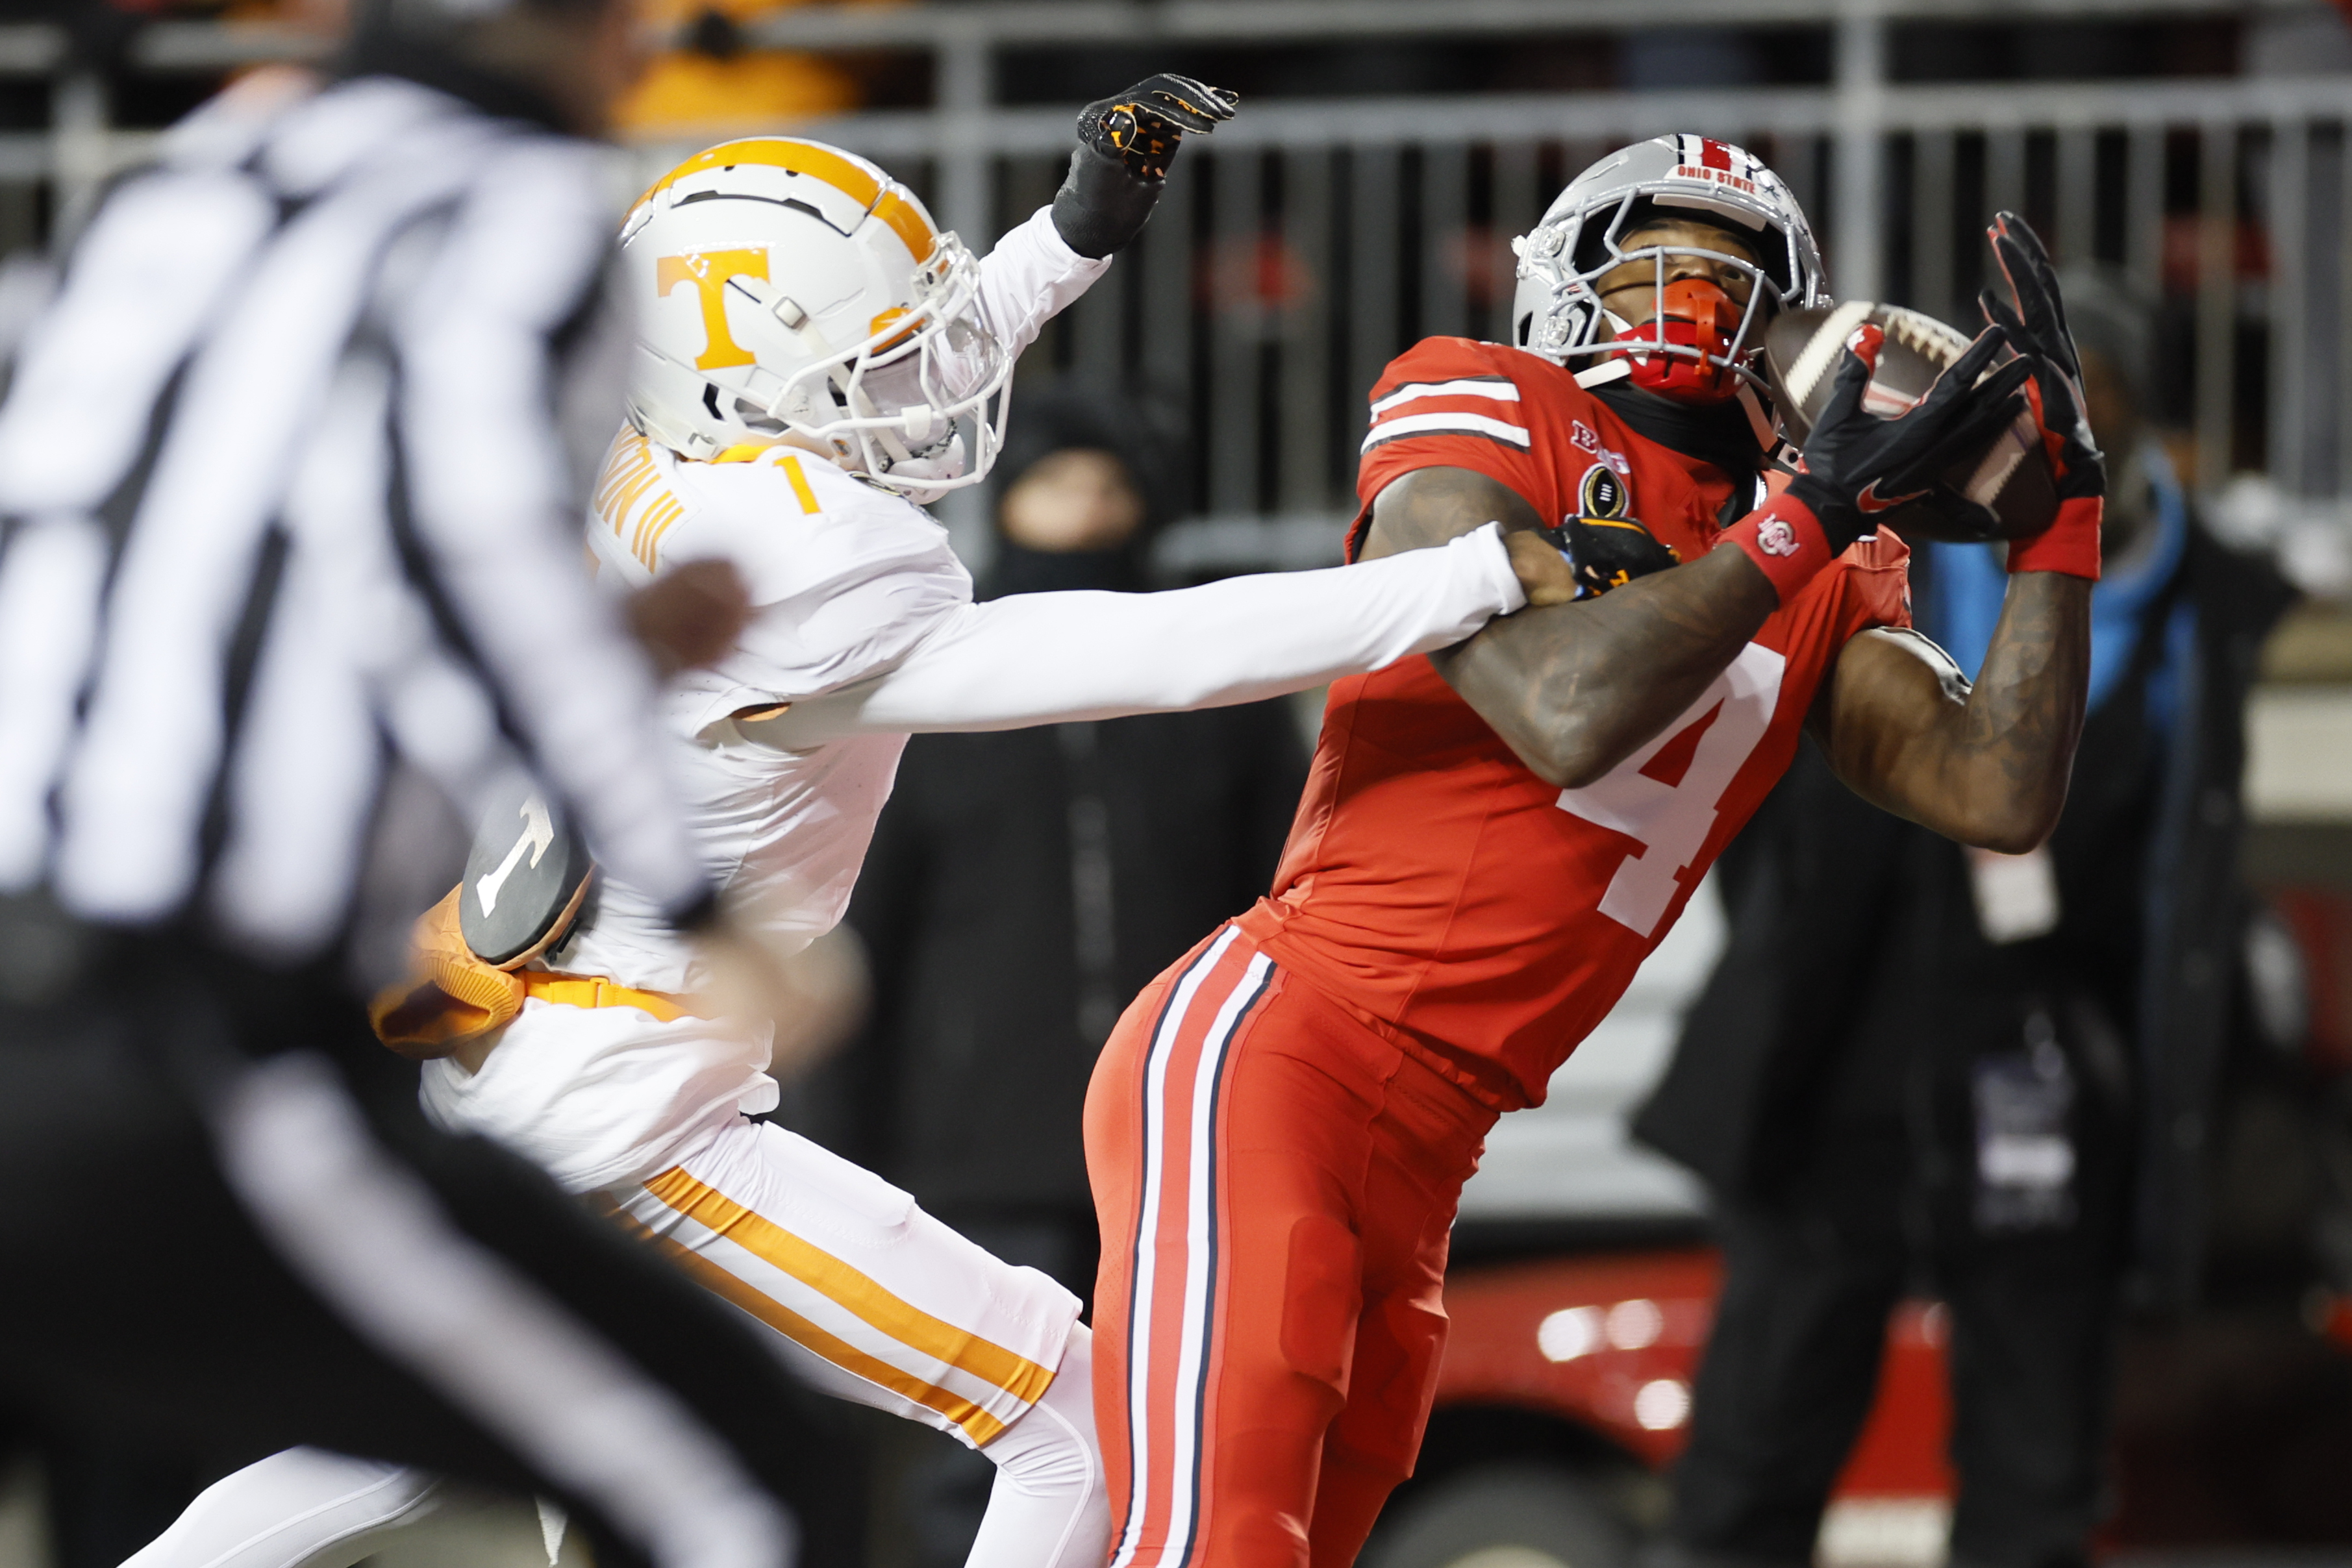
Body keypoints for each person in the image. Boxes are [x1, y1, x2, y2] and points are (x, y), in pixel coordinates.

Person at [129, 84, 1578, 1568]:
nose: (912, 382)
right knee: (1066, 1409)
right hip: (642, 1111)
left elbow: (855, 376)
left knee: (436, 1446)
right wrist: (1460, 575)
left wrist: (1067, 241)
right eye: (866, 356)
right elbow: (1155, 650)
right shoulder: (800, 566)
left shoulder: (654, 452)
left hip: (533, 1052)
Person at [1082, 136, 2105, 1568]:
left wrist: (2057, 531)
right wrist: (1803, 511)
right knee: (1220, 1540)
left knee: (1313, 1542)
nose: (1689, 293)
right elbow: (1558, 709)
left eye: (1727, 268)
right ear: (1565, 277)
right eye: (1653, 257)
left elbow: (1995, 792)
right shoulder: (1483, 403)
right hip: (1280, 1051)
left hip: (1437, 1139)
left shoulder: (1818, 557)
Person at [0, 1, 873, 1565]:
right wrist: (690, 893)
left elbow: (192, 547)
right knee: (747, 1480)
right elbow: (461, 538)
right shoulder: (521, 209)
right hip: (163, 1048)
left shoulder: (201, 171)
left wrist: (594, 630)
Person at [1634, 269, 2296, 1568]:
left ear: (2129, 419)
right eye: (2017, 404)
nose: (2039, 428)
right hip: (1839, 1037)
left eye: (2076, 406)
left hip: (2045, 1055)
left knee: (2036, 1471)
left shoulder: (2204, 600)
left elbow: (2183, 872)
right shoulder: (1877, 518)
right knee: (1753, 1451)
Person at [823, 380, 1310, 1567]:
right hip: (978, 1142)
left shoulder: (1218, 689)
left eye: (1107, 487)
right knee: (987, 1439)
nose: (1084, 512)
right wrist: (843, 1141)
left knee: (1179, 1426)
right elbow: (861, 924)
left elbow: (1287, 905)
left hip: (1177, 1134)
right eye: (1055, 487)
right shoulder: (935, 690)